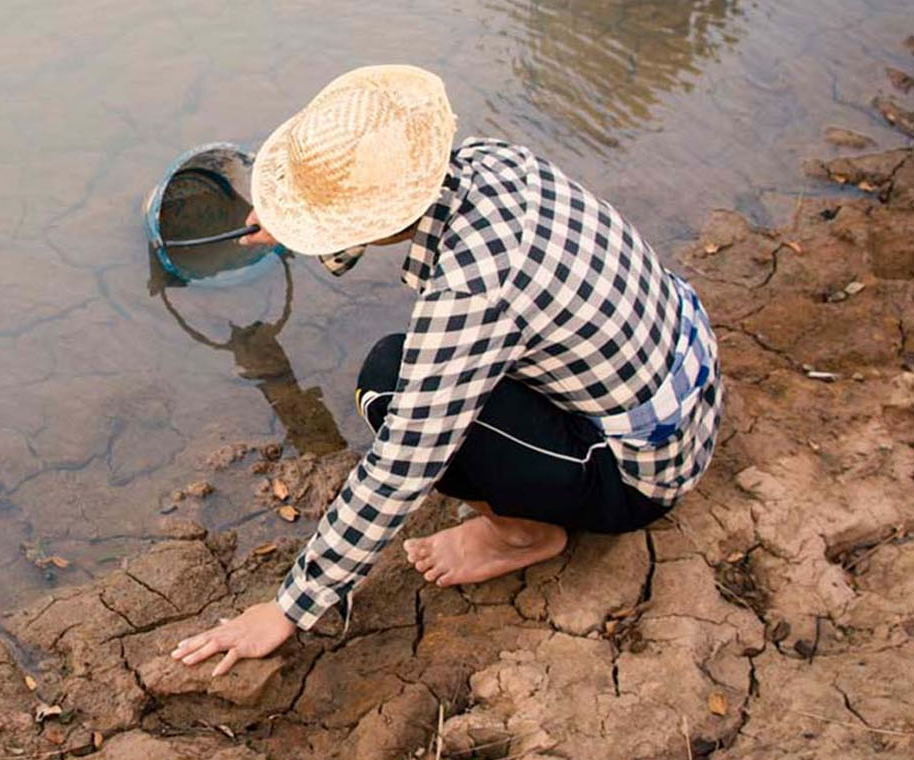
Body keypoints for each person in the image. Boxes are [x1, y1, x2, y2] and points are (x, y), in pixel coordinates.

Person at [170, 65, 722, 676]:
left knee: (386, 381)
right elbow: (392, 217)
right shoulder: (491, 160)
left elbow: (401, 467)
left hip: (642, 471)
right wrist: (303, 229)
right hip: (686, 377)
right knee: (421, 368)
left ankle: (521, 535)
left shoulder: (471, 292)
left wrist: (288, 608)